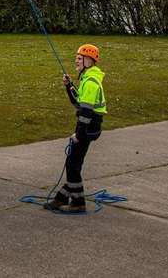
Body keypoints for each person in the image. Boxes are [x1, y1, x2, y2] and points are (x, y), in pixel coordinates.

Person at [44, 44, 107, 213]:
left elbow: (86, 112)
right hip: (87, 126)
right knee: (73, 162)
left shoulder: (91, 82)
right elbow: (77, 102)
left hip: (89, 126)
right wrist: (68, 85)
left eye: (79, 58)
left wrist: (79, 134)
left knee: (73, 164)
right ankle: (62, 198)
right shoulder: (87, 78)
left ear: (89, 61)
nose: (76, 61)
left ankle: (78, 202)